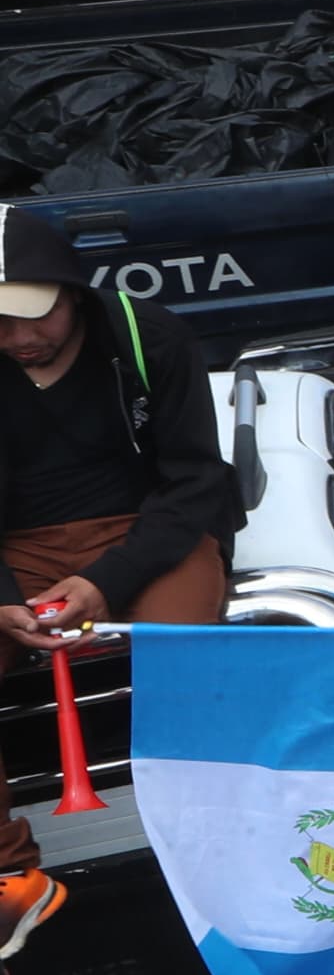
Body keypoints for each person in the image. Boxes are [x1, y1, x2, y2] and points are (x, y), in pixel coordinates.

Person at [0, 214, 238, 666]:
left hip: (149, 532)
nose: (22, 338)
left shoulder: (153, 341)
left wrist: (107, 581)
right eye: (1, 321)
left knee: (176, 664)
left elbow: (196, 480)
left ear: (73, 291)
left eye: (39, 314)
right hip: (17, 547)